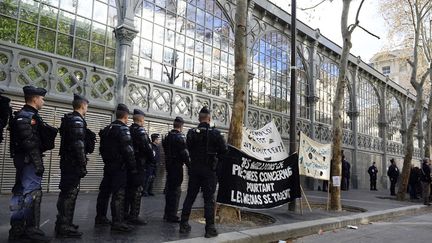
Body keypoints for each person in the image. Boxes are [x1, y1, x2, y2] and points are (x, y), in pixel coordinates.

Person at [9, 85, 57, 242]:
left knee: (20, 194)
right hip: (28, 162)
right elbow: (30, 143)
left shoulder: (27, 115)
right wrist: (38, 164)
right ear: (35, 98)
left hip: (25, 161)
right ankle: (31, 231)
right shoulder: (26, 116)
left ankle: (17, 230)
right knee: (32, 195)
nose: (43, 101)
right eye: (42, 98)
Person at [179, 106, 227, 238]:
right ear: (209, 118)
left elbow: (187, 147)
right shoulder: (216, 133)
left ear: (199, 118)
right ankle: (209, 228)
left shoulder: (191, 132)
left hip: (195, 170)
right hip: (209, 171)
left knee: (190, 197)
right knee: (209, 200)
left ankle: (183, 224)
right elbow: (224, 151)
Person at [55, 94, 96, 238]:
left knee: (68, 193)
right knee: (69, 194)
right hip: (72, 163)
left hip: (68, 161)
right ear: (83, 105)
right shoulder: (77, 120)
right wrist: (82, 163)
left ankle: (64, 222)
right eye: (87, 106)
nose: (87, 108)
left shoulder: (69, 118)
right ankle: (64, 226)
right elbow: (79, 145)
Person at [95, 104, 138, 232]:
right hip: (119, 167)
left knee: (104, 192)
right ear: (126, 116)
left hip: (108, 165)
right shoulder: (123, 129)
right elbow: (128, 151)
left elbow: (102, 149)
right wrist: (133, 167)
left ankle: (100, 217)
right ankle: (117, 222)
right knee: (118, 194)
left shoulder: (108, 128)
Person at [126, 109, 153, 225]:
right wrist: (151, 159)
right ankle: (134, 215)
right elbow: (147, 148)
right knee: (137, 191)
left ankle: (125, 214)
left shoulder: (128, 129)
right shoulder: (141, 131)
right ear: (141, 119)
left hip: (129, 165)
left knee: (128, 190)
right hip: (139, 165)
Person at [162, 116, 190, 223]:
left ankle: (167, 213)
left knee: (169, 190)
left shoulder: (167, 137)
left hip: (169, 166)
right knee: (176, 191)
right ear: (181, 126)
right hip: (177, 167)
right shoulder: (180, 138)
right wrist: (190, 167)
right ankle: (172, 215)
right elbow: (185, 154)